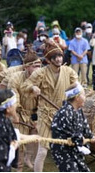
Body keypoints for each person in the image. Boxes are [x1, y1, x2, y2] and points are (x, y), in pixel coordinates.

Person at [21, 39, 78, 172]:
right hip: (45, 115)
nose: (58, 59)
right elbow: (25, 85)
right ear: (48, 59)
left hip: (62, 113)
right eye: (55, 57)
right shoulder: (40, 72)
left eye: (60, 56)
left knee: (66, 148)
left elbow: (76, 86)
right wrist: (33, 88)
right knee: (43, 150)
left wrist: (75, 89)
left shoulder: (68, 71)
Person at [7, 47, 42, 171]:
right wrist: (16, 115)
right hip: (19, 113)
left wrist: (37, 116)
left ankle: (29, 158)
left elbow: (43, 101)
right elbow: (14, 98)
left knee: (36, 138)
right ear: (26, 67)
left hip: (35, 113)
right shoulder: (15, 78)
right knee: (19, 143)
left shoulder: (41, 79)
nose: (38, 69)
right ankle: (19, 167)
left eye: (39, 66)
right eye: (35, 66)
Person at [0, 89, 39, 172]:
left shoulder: (3, 120)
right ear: (8, 108)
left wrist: (33, 137)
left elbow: (14, 135)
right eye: (14, 103)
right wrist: (13, 147)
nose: (16, 105)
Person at [51, 82, 93, 172]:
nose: (85, 98)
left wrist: (92, 137)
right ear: (77, 98)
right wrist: (81, 140)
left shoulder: (79, 110)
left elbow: (85, 127)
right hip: (63, 151)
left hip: (75, 149)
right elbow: (70, 133)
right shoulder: (64, 112)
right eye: (83, 95)